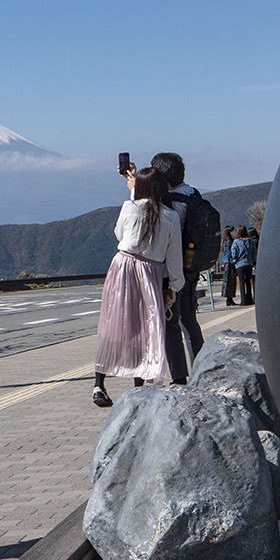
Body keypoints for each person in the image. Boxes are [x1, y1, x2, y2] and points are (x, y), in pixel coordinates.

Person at [92, 163, 184, 407]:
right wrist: (173, 286)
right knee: (146, 325)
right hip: (150, 271)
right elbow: (174, 258)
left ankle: (98, 385)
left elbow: (119, 235)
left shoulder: (128, 207)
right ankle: (138, 388)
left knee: (113, 322)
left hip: (122, 265)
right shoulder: (171, 216)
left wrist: (132, 191)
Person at [152, 152, 205, 384]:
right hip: (192, 267)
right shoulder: (193, 195)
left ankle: (179, 377)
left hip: (173, 270)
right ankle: (204, 369)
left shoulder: (169, 202)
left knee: (170, 324)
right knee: (189, 320)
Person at [226, 226, 256, 306]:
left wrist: (235, 261)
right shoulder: (250, 241)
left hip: (240, 264)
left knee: (242, 282)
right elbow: (254, 253)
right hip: (249, 263)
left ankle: (243, 300)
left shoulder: (236, 242)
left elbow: (234, 253)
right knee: (249, 282)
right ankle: (249, 299)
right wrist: (252, 261)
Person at [219, 225, 237, 305]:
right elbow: (231, 252)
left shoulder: (224, 241)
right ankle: (229, 299)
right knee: (231, 281)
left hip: (226, 262)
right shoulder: (229, 242)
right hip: (230, 262)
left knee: (227, 281)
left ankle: (228, 298)